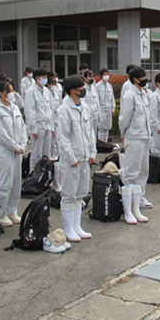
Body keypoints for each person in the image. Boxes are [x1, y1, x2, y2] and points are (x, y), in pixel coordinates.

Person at [55, 75, 96, 242]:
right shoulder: (63, 110)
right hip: (71, 161)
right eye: (80, 87)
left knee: (80, 195)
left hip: (85, 158)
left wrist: (92, 152)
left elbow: (90, 132)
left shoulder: (84, 107)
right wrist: (71, 158)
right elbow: (63, 138)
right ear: (72, 90)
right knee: (68, 195)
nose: (83, 89)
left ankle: (77, 226)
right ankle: (68, 229)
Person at [0, 78, 27, 228]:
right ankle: (1, 213)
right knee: (5, 183)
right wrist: (14, 146)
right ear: (2, 94)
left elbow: (22, 127)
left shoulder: (14, 108)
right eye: (9, 92)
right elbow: (1, 134)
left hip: (17, 151)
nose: (12, 94)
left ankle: (12, 210)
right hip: (3, 151)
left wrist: (22, 144)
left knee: (16, 182)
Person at [119, 66, 152, 224]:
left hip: (145, 136)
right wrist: (123, 133)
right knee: (131, 172)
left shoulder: (144, 94)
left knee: (143, 170)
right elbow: (124, 118)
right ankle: (128, 209)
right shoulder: (129, 95)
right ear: (134, 80)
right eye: (142, 78)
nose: (145, 80)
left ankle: (138, 201)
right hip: (134, 137)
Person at [24, 67, 53, 171]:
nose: (46, 79)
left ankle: (44, 176)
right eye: (43, 76)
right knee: (36, 154)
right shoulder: (30, 92)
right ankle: (33, 176)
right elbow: (30, 111)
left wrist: (52, 127)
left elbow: (50, 110)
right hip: (38, 126)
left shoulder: (46, 91)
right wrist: (33, 129)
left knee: (46, 154)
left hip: (47, 126)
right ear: (37, 78)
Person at [95, 68, 116, 142]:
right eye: (105, 75)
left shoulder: (109, 86)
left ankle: (106, 143)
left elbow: (112, 98)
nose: (107, 76)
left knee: (107, 128)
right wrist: (99, 112)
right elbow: (96, 100)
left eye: (107, 74)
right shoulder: (97, 86)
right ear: (101, 76)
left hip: (109, 110)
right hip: (101, 110)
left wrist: (113, 109)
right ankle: (101, 144)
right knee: (101, 128)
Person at [82, 70, 100, 145]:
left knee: (94, 135)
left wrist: (99, 114)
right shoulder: (83, 89)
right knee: (87, 135)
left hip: (94, 116)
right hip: (87, 117)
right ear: (85, 78)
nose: (92, 78)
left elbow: (97, 102)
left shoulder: (94, 89)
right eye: (90, 77)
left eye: (92, 76)